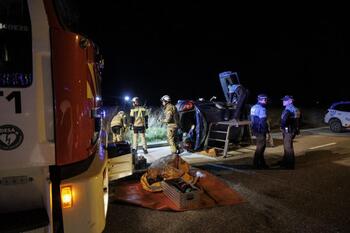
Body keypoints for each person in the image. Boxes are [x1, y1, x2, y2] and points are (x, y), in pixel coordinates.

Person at [277, 95, 301, 169]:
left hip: (288, 131)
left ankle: (289, 165)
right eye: (283, 100)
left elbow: (284, 120)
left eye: (285, 100)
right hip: (292, 130)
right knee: (288, 146)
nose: (283, 101)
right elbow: (298, 120)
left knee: (288, 147)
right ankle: (285, 161)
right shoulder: (296, 109)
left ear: (290, 101)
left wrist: (282, 127)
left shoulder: (289, 109)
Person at [250, 94, 269, 169]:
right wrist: (266, 131)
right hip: (261, 130)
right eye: (264, 99)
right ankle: (256, 164)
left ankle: (261, 163)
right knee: (261, 147)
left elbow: (252, 119)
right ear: (260, 99)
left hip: (255, 129)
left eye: (266, 99)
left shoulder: (253, 107)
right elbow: (263, 121)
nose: (266, 101)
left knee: (259, 146)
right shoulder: (262, 108)